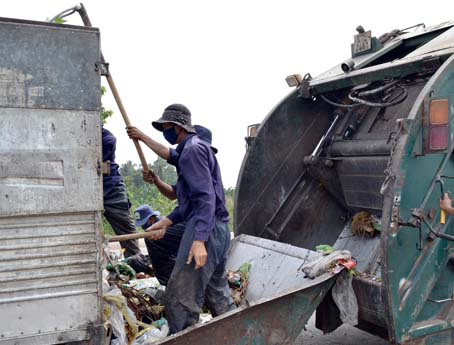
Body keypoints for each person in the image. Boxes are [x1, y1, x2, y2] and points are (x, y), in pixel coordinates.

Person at [127, 104, 234, 333]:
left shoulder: (193, 151)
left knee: (180, 297)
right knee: (217, 293)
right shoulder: (190, 151)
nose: (164, 132)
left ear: (177, 127)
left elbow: (205, 199)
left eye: (166, 128)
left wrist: (198, 240)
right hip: (217, 228)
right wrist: (164, 222)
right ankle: (238, 334)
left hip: (205, 228)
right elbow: (187, 201)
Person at [102, 127, 141, 257]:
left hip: (111, 187)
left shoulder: (106, 137)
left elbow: (109, 141)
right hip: (84, 187)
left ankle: (136, 264)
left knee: (128, 235)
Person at [134, 204, 185, 286]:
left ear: (151, 218)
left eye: (143, 223)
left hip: (178, 262)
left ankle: (167, 283)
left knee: (149, 239)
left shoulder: (163, 231)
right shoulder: (161, 226)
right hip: (176, 258)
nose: (143, 227)